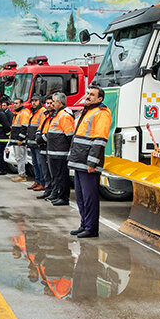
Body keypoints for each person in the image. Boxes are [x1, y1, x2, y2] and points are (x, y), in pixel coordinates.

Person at [68, 86, 112, 238]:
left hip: (88, 163)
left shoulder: (102, 113)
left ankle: (91, 228)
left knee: (89, 198)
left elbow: (100, 140)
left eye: (92, 94)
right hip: (80, 161)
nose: (88, 96)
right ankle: (84, 224)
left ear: (100, 99)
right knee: (80, 197)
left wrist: (92, 162)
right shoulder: (87, 111)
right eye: (88, 93)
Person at [42, 92, 74, 206]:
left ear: (59, 102)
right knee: (56, 176)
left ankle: (64, 197)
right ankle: (58, 195)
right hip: (53, 151)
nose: (52, 104)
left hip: (60, 152)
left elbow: (70, 135)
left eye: (54, 101)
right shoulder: (57, 114)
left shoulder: (64, 115)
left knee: (62, 176)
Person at [27, 97, 50, 193]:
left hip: (38, 143)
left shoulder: (42, 112)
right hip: (32, 142)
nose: (33, 103)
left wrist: (38, 139)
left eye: (35, 101)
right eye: (32, 101)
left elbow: (41, 127)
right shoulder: (33, 112)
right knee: (35, 163)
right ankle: (37, 181)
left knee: (40, 164)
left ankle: (42, 182)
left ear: (40, 101)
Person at [10, 98, 32, 181]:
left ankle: (22, 175)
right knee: (18, 157)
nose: (14, 105)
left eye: (16, 103)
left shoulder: (24, 113)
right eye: (14, 103)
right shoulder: (17, 113)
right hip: (16, 139)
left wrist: (20, 139)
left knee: (20, 158)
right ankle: (21, 174)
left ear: (21, 104)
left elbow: (24, 127)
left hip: (19, 140)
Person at [0, 99, 14, 175]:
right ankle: (1, 168)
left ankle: (2, 170)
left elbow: (6, 126)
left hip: (2, 138)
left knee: (0, 154)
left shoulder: (1, 114)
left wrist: (7, 134)